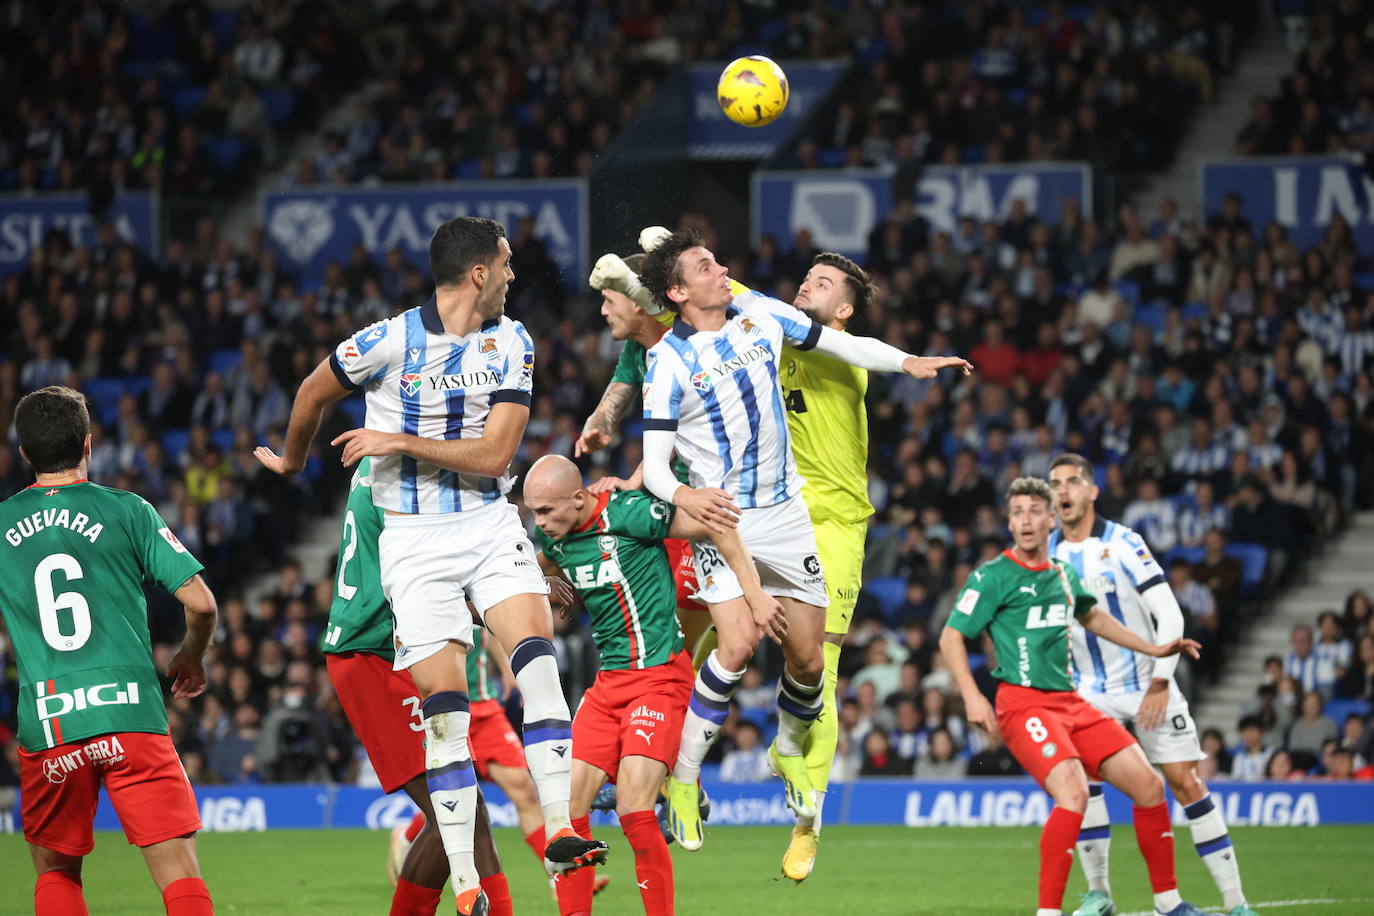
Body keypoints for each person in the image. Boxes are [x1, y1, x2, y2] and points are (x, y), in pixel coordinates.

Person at [255, 216, 606, 914]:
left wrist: (398, 439)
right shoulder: (387, 341)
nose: (513, 274)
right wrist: (293, 461)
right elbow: (311, 393)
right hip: (412, 550)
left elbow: (497, 456)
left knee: (539, 660)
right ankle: (473, 889)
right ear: (478, 272)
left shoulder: (513, 340)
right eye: (505, 264)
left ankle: (561, 828)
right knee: (450, 721)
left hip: (484, 522)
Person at [628, 227, 972, 854]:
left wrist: (910, 362)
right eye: (708, 264)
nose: (724, 267)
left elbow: (844, 343)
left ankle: (787, 748)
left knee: (810, 662)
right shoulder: (668, 361)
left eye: (718, 259)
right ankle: (682, 777)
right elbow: (653, 466)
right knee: (733, 643)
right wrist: (683, 496)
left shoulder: (763, 314)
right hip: (726, 518)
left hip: (789, 515)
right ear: (679, 291)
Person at [579, 230, 890, 879]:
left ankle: (808, 819)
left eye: (824, 286)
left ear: (844, 313)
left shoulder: (835, 354)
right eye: (807, 278)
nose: (807, 287)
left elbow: (693, 306)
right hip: (736, 513)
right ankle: (661, 774)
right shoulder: (741, 330)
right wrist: (631, 467)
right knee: (681, 644)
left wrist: (658, 259)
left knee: (814, 661)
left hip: (827, 521)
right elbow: (672, 340)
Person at [524, 454, 782, 916]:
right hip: (607, 687)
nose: (538, 521)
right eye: (533, 512)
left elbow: (714, 524)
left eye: (545, 511)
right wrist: (545, 580)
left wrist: (754, 592)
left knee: (632, 808)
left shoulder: (627, 513)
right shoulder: (556, 541)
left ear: (579, 498)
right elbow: (537, 561)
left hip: (659, 679)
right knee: (566, 811)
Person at [939, 476, 1204, 916]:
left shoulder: (1063, 574)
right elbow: (951, 638)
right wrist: (972, 696)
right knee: (1074, 794)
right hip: (1022, 704)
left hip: (1069, 702)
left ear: (1050, 520)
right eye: (1017, 512)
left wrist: (1154, 647)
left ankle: (1168, 903)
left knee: (1149, 786)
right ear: (1009, 523)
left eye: (1033, 511)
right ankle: (1048, 913)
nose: (1025, 520)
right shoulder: (992, 577)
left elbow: (1094, 617)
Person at [0, 386, 217, 915]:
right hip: (130, 713)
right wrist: (191, 655)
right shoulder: (128, 510)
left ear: (24, 452)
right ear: (89, 445)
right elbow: (202, 604)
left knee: (55, 872)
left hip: (51, 721)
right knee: (178, 871)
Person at [321, 456, 540, 916]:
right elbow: (441, 578)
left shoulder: (382, 463)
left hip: (378, 644)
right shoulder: (406, 476)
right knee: (452, 812)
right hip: (374, 649)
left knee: (464, 805)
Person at [1047, 454, 1257, 916]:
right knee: (1081, 782)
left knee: (1187, 783)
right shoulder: (1047, 554)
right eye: (1056, 483)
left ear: (1092, 491)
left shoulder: (1124, 543)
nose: (1063, 491)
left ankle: (1236, 903)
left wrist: (1160, 684)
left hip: (1147, 682)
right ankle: (1099, 893)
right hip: (1088, 691)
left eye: (1073, 482)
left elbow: (1170, 613)